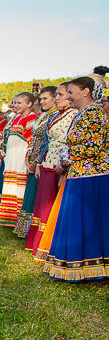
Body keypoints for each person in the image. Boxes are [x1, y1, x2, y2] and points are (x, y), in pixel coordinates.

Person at [42, 76, 108, 281]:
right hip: (80, 173)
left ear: (86, 91)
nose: (68, 96)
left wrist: (65, 157)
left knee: (87, 221)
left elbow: (93, 146)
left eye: (71, 92)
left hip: (92, 175)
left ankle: (92, 267)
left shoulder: (95, 113)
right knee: (78, 219)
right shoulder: (84, 113)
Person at [27, 84, 75, 254]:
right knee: (43, 205)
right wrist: (39, 162)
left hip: (60, 165)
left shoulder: (74, 115)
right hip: (48, 162)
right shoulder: (56, 115)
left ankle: (50, 246)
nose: (57, 98)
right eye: (57, 95)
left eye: (61, 94)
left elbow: (71, 143)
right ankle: (39, 244)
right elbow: (46, 141)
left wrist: (65, 168)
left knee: (53, 205)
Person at [13, 87, 58, 237]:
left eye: (46, 98)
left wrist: (37, 160)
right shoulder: (43, 116)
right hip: (33, 157)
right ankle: (26, 231)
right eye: (41, 99)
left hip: (43, 160)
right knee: (31, 195)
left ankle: (36, 234)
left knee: (38, 197)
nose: (42, 101)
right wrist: (29, 158)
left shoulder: (54, 116)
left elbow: (45, 140)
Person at [0, 92, 39, 226]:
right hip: (11, 158)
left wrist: (29, 159)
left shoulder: (33, 119)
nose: (16, 105)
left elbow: (32, 140)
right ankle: (8, 218)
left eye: (20, 103)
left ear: (29, 104)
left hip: (21, 158)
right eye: (15, 103)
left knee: (20, 187)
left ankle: (19, 220)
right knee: (10, 186)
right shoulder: (15, 119)